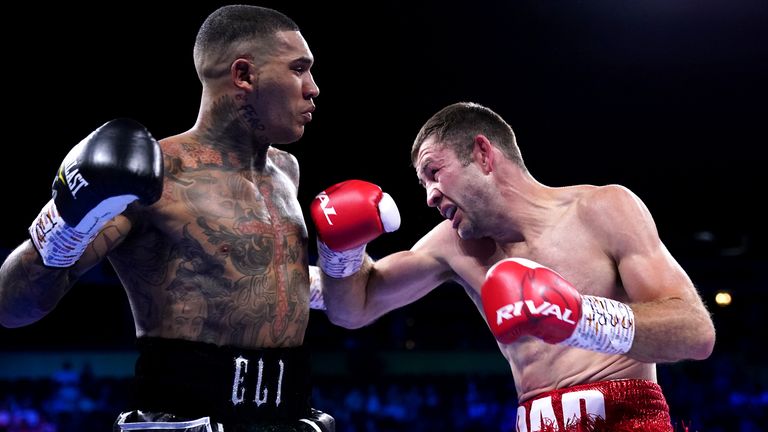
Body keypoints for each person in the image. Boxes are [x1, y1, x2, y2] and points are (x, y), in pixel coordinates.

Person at [0, 5, 335, 432]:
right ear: (244, 75)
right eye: (299, 69)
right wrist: (66, 221)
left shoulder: (286, 171)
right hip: (183, 417)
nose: (313, 88)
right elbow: (10, 307)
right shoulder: (156, 176)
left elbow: (247, 274)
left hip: (291, 416)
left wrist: (344, 266)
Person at [309, 102, 716, 431]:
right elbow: (353, 308)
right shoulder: (454, 245)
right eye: (423, 184)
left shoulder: (602, 209)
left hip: (627, 420)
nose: (430, 196)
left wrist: (579, 318)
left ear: (483, 154)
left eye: (435, 173)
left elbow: (696, 334)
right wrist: (341, 251)